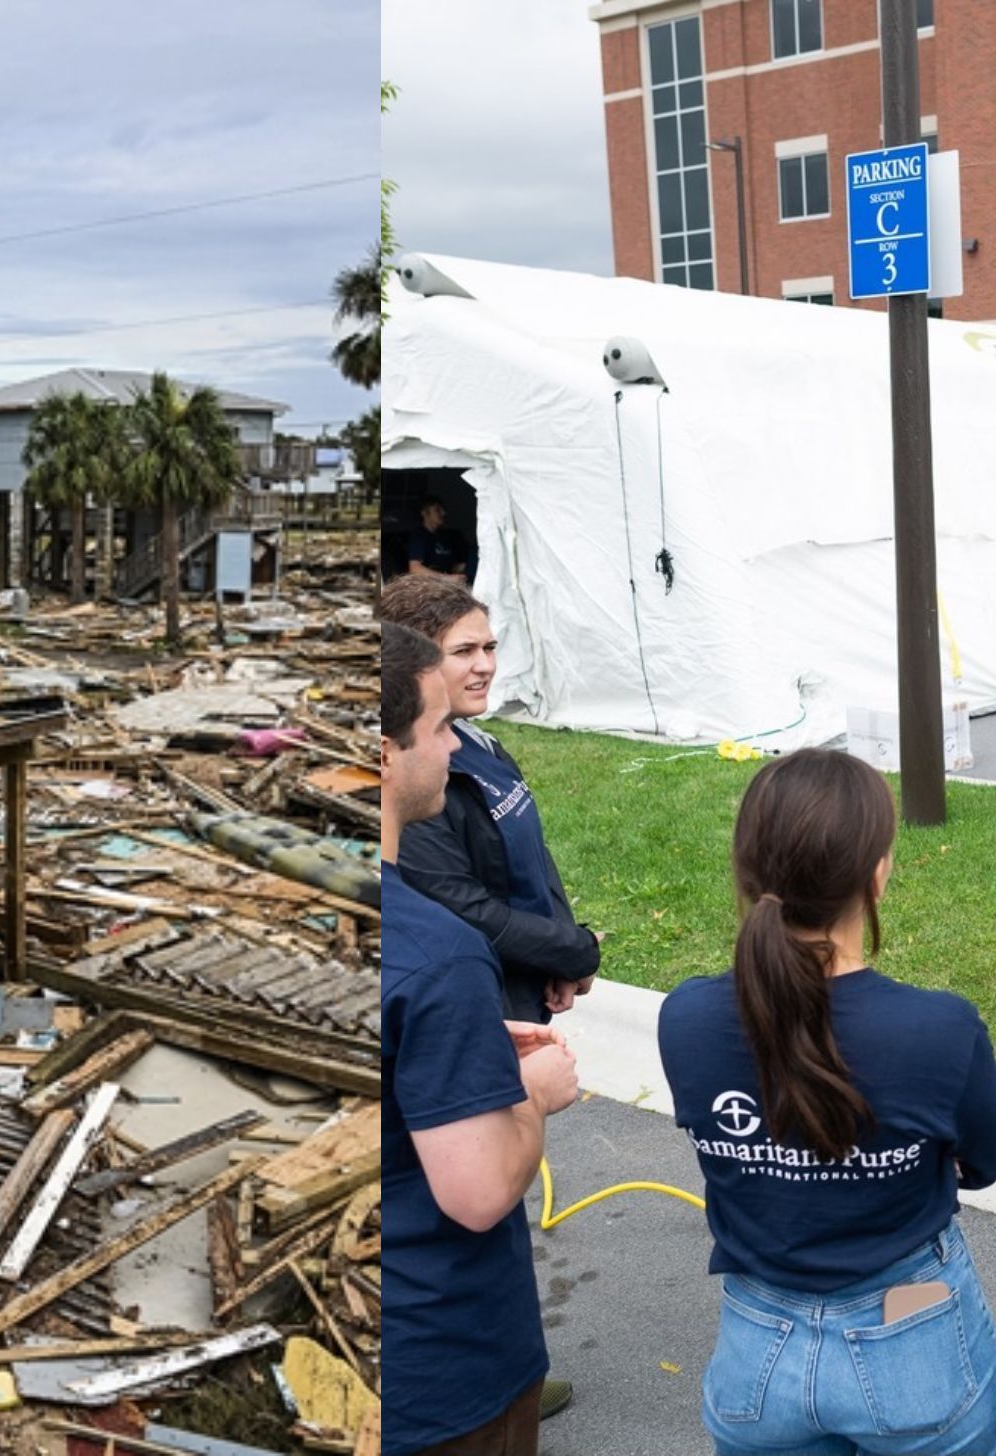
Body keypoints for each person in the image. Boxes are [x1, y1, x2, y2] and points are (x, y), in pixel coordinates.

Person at [659, 749, 996, 1456]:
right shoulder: (938, 1029)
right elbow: (984, 1161)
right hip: (909, 1340)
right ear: (877, 872)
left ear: (746, 870)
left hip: (755, 1354)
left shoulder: (687, 1016)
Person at [380, 620, 581, 1456]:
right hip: (444, 1372)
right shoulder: (434, 952)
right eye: (434, 731)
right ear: (383, 755)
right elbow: (476, 1191)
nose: (449, 748)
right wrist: (531, 1097)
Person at [381, 575, 603, 1025]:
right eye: (464, 652)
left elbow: (532, 852)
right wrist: (576, 950)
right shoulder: (414, 774)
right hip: (479, 1000)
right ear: (413, 664)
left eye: (490, 647)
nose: (485, 666)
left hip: (530, 978)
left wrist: (559, 951)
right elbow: (462, 905)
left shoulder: (478, 741)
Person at [407, 496, 473, 583]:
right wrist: (447, 579)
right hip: (430, 587)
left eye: (442, 509)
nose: (443, 513)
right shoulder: (419, 537)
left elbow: (450, 566)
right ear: (424, 513)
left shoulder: (444, 537)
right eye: (437, 510)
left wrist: (471, 564)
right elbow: (415, 568)